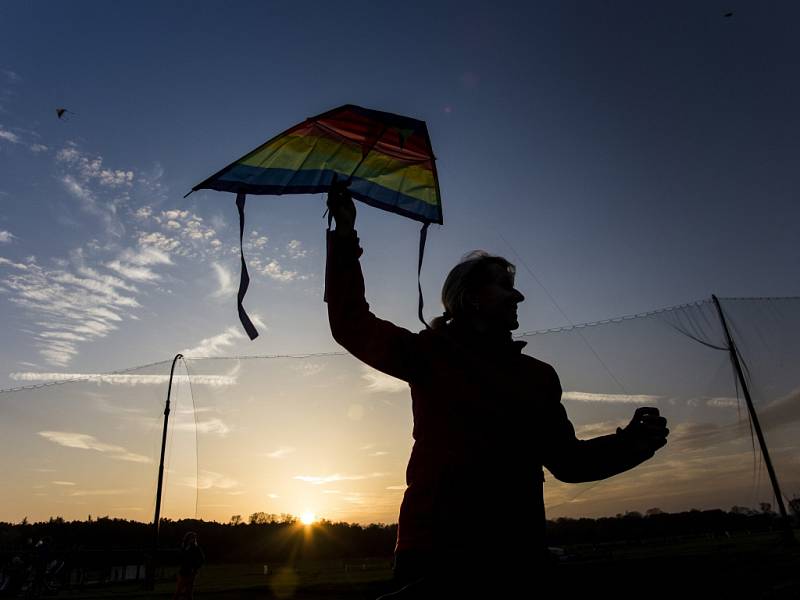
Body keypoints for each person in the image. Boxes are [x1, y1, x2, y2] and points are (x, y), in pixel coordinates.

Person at [325, 183, 669, 597]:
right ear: (471, 299)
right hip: (435, 554)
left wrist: (633, 443)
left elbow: (569, 463)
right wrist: (344, 237)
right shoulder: (429, 355)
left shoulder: (538, 376)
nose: (519, 295)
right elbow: (351, 323)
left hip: (517, 556)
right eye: (505, 286)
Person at [173, 532, 204, 600]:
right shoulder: (184, 547)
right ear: (187, 539)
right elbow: (180, 558)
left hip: (191, 572)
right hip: (183, 571)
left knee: (188, 592)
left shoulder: (196, 548)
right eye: (191, 538)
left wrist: (195, 567)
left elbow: (202, 559)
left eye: (194, 538)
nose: (193, 539)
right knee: (179, 590)